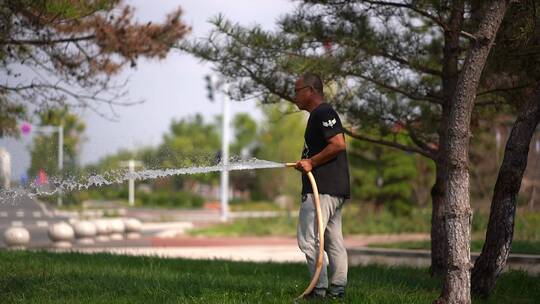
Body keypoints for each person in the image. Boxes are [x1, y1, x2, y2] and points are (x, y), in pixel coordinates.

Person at [292, 73, 350, 299]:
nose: (294, 96)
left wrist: (311, 162)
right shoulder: (317, 115)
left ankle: (319, 289)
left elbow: (338, 144)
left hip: (323, 190)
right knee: (333, 240)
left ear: (310, 90)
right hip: (332, 190)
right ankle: (337, 290)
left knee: (308, 240)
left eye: (297, 91)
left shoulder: (323, 112)